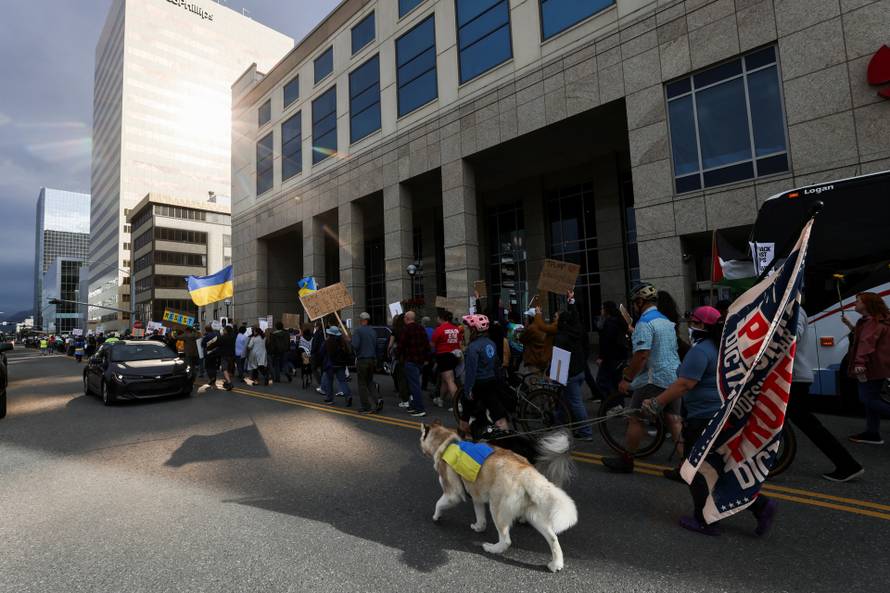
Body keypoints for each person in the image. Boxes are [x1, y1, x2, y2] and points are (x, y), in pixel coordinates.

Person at [641, 306, 777, 537]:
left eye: (693, 321)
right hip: (722, 416)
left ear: (703, 325)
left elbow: (685, 384)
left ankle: (705, 520)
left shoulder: (702, 351)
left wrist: (656, 402)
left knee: (694, 469)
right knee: (719, 469)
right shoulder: (724, 348)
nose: (690, 325)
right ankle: (759, 505)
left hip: (703, 419)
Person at [603, 282, 682, 473]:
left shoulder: (645, 323)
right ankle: (686, 466)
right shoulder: (666, 320)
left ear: (640, 302)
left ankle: (627, 460)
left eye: (634, 302)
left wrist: (627, 379)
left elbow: (641, 355)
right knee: (673, 419)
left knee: (635, 417)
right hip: (675, 377)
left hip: (654, 379)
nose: (633, 306)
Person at [787, 306, 863, 481]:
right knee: (784, 422)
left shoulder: (795, 310)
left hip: (796, 377)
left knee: (807, 423)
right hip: (789, 377)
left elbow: (794, 337)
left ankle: (847, 464)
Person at [845, 292, 890, 445]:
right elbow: (865, 338)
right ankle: (872, 433)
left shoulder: (871, 322)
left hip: (870, 368)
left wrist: (859, 363)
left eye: (858, 301)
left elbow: (866, 343)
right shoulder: (876, 320)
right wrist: (850, 326)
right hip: (879, 367)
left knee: (868, 399)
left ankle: (872, 433)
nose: (854, 304)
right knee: (873, 399)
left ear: (867, 304)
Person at [458, 313, 508, 434]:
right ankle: (506, 434)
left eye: (470, 328)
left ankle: (461, 437)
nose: (469, 330)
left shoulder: (473, 347)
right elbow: (496, 364)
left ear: (474, 329)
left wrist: (468, 388)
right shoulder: (491, 343)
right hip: (491, 381)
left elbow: (471, 370)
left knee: (466, 411)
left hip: (478, 383)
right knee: (496, 411)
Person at [553, 290, 593, 441]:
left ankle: (586, 432)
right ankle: (558, 424)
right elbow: (575, 317)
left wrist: (554, 375)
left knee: (576, 403)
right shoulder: (576, 330)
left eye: (557, 318)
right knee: (564, 399)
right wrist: (571, 301)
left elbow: (558, 359)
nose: (555, 320)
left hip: (569, 373)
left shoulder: (561, 337)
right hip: (580, 370)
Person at [398, 311, 430, 417]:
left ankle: (420, 408)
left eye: (404, 318)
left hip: (410, 360)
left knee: (414, 385)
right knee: (414, 384)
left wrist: (398, 356)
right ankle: (413, 406)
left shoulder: (405, 329)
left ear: (407, 318)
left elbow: (401, 346)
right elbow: (427, 344)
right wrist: (427, 358)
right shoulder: (421, 328)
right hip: (420, 360)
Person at [430, 310, 463, 409]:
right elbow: (460, 342)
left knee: (449, 380)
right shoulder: (456, 329)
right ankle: (440, 399)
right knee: (445, 379)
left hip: (444, 356)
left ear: (441, 318)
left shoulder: (439, 329)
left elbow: (432, 344)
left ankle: (458, 404)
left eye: (437, 318)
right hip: (455, 356)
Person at [352, 312, 383, 413]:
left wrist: (350, 341)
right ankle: (377, 399)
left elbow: (355, 345)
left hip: (362, 360)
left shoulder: (358, 331)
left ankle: (366, 406)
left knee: (362, 384)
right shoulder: (373, 331)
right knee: (370, 381)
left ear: (362, 320)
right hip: (372, 360)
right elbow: (377, 347)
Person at [596, 301, 629, 396]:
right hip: (620, 356)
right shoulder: (618, 321)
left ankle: (611, 403)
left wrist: (601, 357)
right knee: (616, 381)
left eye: (602, 308)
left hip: (611, 358)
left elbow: (606, 342)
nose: (601, 311)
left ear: (607, 310)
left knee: (602, 382)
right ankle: (617, 403)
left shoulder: (610, 323)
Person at [518, 305, 559, 374]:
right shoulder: (543, 326)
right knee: (540, 379)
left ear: (531, 318)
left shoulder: (532, 328)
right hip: (543, 358)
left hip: (534, 358)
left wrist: (525, 326)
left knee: (533, 380)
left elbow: (521, 339)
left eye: (528, 317)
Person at [321, 326, 352, 406]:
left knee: (329, 381)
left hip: (330, 365)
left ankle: (329, 398)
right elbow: (347, 352)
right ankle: (348, 396)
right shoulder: (342, 342)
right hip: (340, 365)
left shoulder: (327, 342)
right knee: (342, 381)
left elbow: (321, 352)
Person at [217, 325, 237, 391]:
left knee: (224, 369)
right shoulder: (233, 336)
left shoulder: (222, 337)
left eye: (224, 330)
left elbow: (218, 344)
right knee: (228, 368)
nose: (223, 330)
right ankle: (227, 381)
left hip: (224, 355)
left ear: (226, 330)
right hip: (231, 354)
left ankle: (229, 382)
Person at [201, 324, 221, 390]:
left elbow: (203, 345)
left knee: (208, 366)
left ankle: (211, 378)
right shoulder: (216, 335)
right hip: (215, 352)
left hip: (208, 353)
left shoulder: (206, 336)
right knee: (213, 366)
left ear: (206, 330)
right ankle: (214, 378)